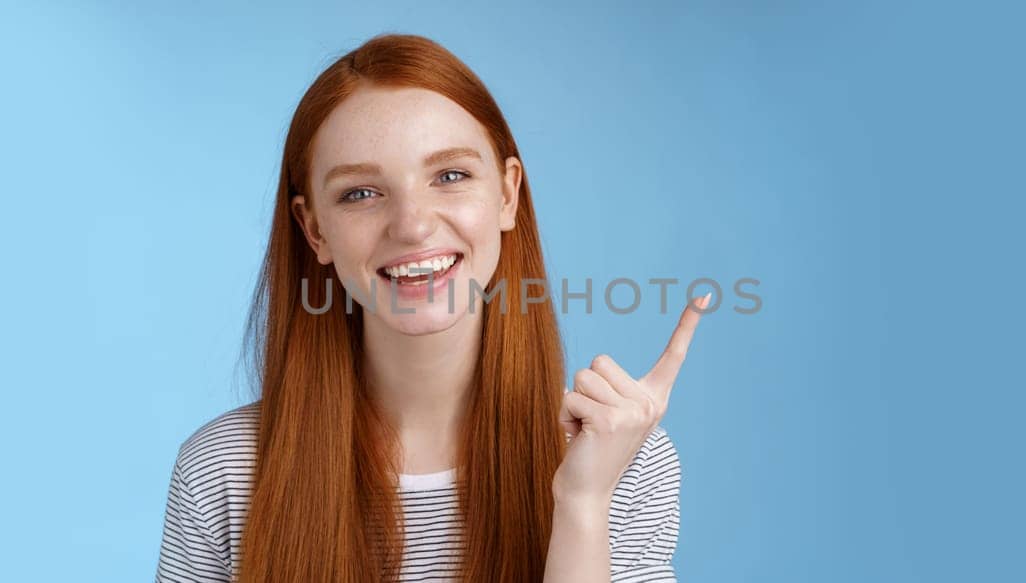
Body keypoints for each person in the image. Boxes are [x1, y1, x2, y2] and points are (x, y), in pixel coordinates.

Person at [154, 33, 707, 583]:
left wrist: (583, 503)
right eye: (361, 193)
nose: (413, 225)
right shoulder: (224, 472)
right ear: (314, 229)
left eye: (450, 176)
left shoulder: (620, 459)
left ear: (508, 196)